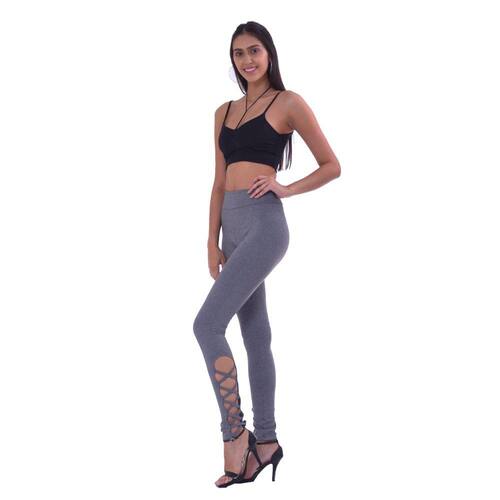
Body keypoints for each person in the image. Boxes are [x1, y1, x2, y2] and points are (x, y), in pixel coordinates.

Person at [192, 21, 341, 488]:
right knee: (256, 335)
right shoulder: (223, 112)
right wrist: (212, 240)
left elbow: (332, 165)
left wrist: (286, 188)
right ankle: (268, 441)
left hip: (264, 226)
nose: (247, 60)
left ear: (269, 54)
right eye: (238, 53)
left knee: (206, 325)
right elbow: (218, 182)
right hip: (232, 230)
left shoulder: (288, 103)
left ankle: (235, 435)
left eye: (254, 50)